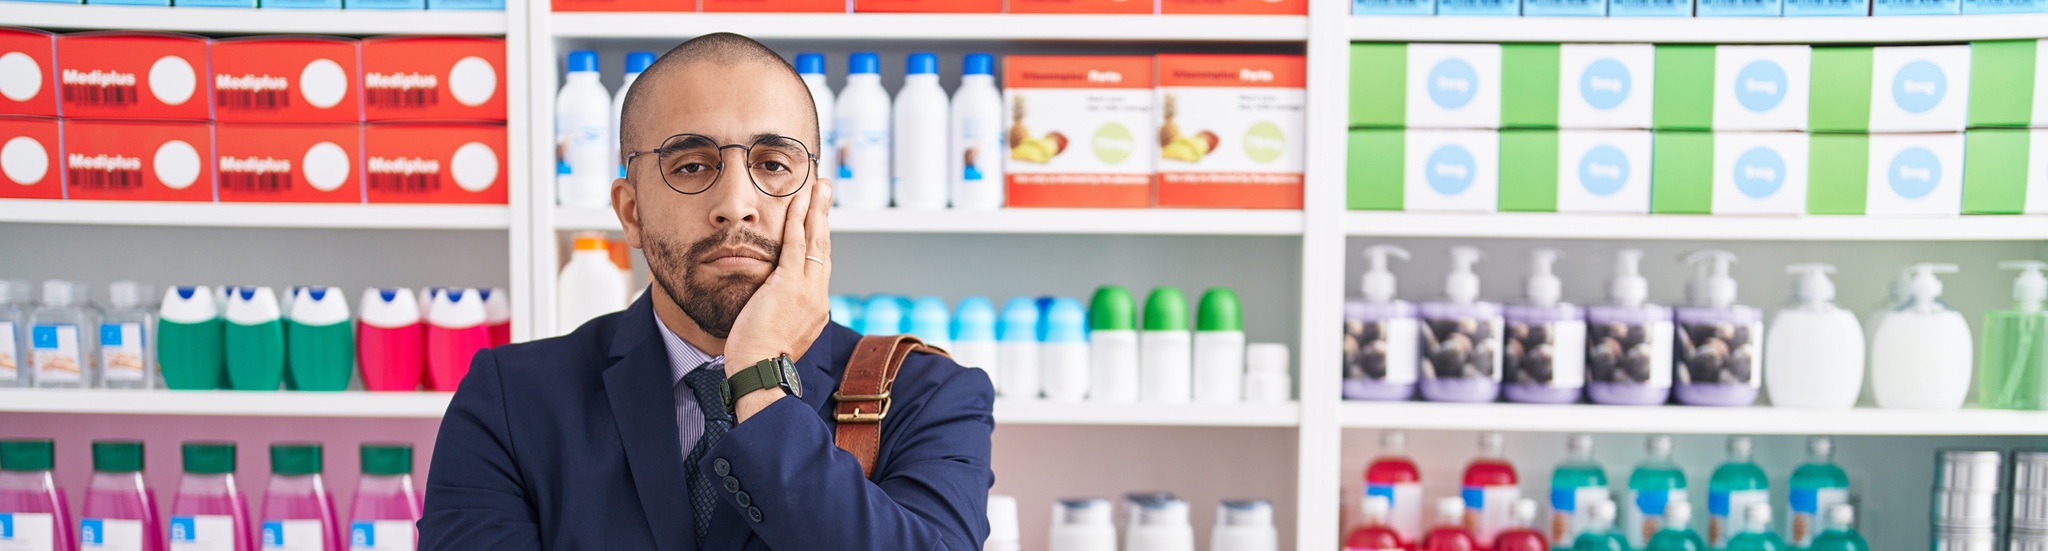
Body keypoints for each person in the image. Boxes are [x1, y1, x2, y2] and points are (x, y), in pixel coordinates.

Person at [420, 33, 996, 551]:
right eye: (693, 166)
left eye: (773, 164)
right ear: (632, 211)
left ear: (818, 200)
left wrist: (760, 382)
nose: (735, 205)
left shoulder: (928, 396)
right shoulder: (511, 399)